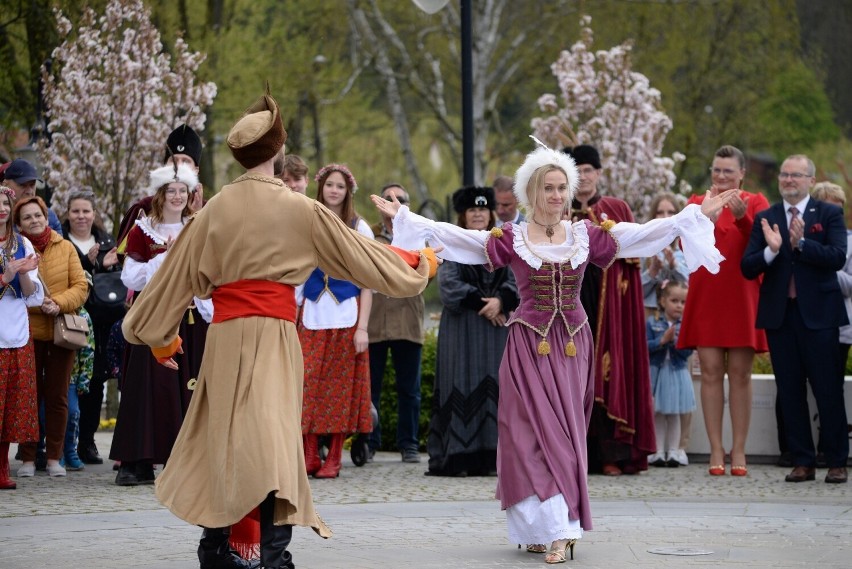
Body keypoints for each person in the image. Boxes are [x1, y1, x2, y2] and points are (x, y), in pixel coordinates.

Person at [374, 138, 736, 563]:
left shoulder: (587, 235)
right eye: (548, 187)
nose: (557, 195)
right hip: (528, 345)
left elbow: (642, 235)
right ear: (531, 192)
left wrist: (691, 216)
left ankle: (562, 530)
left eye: (562, 187)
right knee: (523, 434)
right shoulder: (510, 237)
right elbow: (458, 239)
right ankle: (536, 526)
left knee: (562, 434)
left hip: (571, 346)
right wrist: (406, 217)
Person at [121, 91, 435, 569]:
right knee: (273, 440)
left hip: (225, 335)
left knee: (222, 437)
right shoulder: (300, 209)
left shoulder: (213, 211)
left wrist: (160, 337)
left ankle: (215, 549)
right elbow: (364, 259)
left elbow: (168, 282)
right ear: (277, 151)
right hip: (273, 335)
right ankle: (273, 557)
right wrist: (419, 266)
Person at [741, 154, 849, 484]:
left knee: (827, 389)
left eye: (796, 175)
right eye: (785, 175)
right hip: (781, 317)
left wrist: (801, 244)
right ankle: (802, 460)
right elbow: (748, 267)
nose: (789, 180)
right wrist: (773, 250)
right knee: (789, 391)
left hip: (820, 317)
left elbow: (836, 258)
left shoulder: (828, 213)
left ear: (810, 181)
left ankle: (836, 461)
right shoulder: (767, 216)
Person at [110, 163, 210, 487]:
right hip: (153, 317)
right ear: (161, 194)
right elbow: (129, 276)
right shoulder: (144, 229)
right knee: (145, 387)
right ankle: (136, 460)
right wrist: (161, 260)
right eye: (172, 191)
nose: (178, 196)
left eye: (183, 191)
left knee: (186, 387)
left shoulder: (197, 228)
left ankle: (182, 460)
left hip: (189, 318)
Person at [678, 145, 770, 477]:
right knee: (712, 372)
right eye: (716, 170)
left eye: (728, 171)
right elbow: (683, 244)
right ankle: (716, 448)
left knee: (741, 375)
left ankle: (740, 448)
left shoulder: (757, 202)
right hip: (708, 295)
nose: (720, 176)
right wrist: (706, 219)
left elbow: (761, 241)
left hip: (743, 294)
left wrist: (743, 214)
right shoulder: (695, 202)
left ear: (742, 173)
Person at [563, 144, 654, 476]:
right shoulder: (555, 212)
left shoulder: (616, 209)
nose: (584, 177)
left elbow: (631, 265)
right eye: (577, 171)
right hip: (568, 303)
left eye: (589, 170)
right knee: (568, 377)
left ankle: (610, 454)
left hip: (607, 308)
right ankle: (571, 454)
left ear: (599, 174)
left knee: (606, 372)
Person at [426, 186, 519, 477]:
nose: (478, 214)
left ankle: (495, 456)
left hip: (497, 331)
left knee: (498, 386)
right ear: (463, 215)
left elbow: (519, 277)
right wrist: (486, 304)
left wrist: (502, 300)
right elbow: (448, 285)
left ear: (491, 212)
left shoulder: (505, 243)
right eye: (472, 210)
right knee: (461, 383)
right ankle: (459, 456)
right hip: (462, 329)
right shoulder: (451, 243)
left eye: (482, 209)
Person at [298, 162, 374, 479]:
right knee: (307, 385)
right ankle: (310, 452)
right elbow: (297, 272)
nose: (334, 190)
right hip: (313, 313)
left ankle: (336, 457)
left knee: (340, 390)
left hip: (346, 315)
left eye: (340, 186)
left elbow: (368, 281)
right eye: (330, 184)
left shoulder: (359, 227)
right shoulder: (306, 221)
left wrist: (363, 328)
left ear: (347, 192)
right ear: (321, 187)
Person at [14, 195, 88, 478]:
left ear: (46, 217)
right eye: (27, 217)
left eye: (38, 215)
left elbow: (80, 287)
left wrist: (57, 302)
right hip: (27, 333)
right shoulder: (16, 249)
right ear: (19, 224)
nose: (34, 220)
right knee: (28, 397)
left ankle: (55, 457)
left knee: (57, 397)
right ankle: (30, 458)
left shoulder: (65, 246)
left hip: (61, 333)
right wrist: (35, 303)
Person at [61, 190, 122, 466]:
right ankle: (60, 445)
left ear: (94, 214)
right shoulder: (60, 241)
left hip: (101, 325)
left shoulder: (108, 242)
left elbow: (114, 287)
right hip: (68, 322)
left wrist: (106, 267)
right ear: (67, 213)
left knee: (95, 385)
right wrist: (89, 263)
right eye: (76, 211)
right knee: (66, 383)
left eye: (86, 211)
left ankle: (87, 441)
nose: (81, 216)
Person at [368, 183, 426, 463]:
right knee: (370, 388)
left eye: (400, 198)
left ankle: (409, 444)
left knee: (409, 389)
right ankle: (369, 441)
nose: (394, 202)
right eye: (388, 197)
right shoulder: (369, 235)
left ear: (408, 204)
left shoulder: (419, 234)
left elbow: (430, 271)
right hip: (375, 321)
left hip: (407, 320)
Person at [0, 186, 43, 490]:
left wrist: (23, 272)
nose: (1, 208)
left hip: (15, 328)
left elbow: (30, 294)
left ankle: (3, 466)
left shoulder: (22, 242)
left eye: (4, 203)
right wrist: (5, 275)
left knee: (11, 404)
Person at [116, 124, 204, 249]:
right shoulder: (144, 207)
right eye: (173, 160)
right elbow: (125, 255)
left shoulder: (208, 208)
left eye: (185, 161)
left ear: (196, 170)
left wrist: (198, 217)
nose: (177, 166)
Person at [646, 280, 695, 468]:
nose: (679, 306)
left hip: (677, 372)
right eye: (674, 300)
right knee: (657, 413)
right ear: (663, 301)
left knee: (674, 413)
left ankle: (674, 451)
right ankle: (657, 450)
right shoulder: (652, 322)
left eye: (683, 302)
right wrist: (662, 340)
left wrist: (676, 342)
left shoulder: (686, 325)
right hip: (657, 372)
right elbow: (645, 347)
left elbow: (687, 352)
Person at [640, 193, 688, 317]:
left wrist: (674, 266)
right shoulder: (643, 247)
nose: (666, 217)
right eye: (660, 212)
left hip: (679, 318)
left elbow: (691, 288)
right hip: (650, 314)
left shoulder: (686, 246)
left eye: (671, 212)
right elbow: (635, 293)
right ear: (653, 216)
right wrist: (652, 272)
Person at [2, 159, 62, 233]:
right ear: (5, 185)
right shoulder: (2, 215)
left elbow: (60, 243)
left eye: (32, 185)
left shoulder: (49, 215)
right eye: (22, 185)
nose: (29, 191)